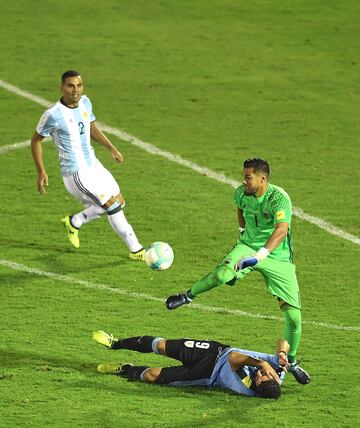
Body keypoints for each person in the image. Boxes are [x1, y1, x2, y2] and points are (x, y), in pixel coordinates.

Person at [166, 158, 310, 385]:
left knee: (294, 318)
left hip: (277, 258)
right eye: (243, 176)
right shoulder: (241, 193)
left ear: (262, 179)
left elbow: (282, 229)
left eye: (248, 177)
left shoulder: (278, 198)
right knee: (222, 274)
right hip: (247, 247)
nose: (243, 181)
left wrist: (260, 256)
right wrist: (243, 231)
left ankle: (290, 362)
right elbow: (240, 209)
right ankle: (187, 295)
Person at [31, 70, 145, 260]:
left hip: (93, 165)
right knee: (111, 205)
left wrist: (112, 148)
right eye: (70, 86)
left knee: (119, 202)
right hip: (75, 172)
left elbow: (91, 128)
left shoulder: (85, 102)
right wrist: (41, 171)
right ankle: (136, 249)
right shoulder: (53, 114)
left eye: (79, 85)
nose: (75, 90)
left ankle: (75, 221)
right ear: (62, 87)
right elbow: (35, 141)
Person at [92, 330, 291, 399]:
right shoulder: (277, 373)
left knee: (152, 375)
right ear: (273, 378)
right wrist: (282, 354)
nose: (258, 375)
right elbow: (284, 341)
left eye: (257, 379)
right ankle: (115, 343)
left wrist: (262, 363)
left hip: (205, 373)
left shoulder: (246, 387)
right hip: (215, 350)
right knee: (161, 345)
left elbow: (235, 359)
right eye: (262, 374)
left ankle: (124, 369)